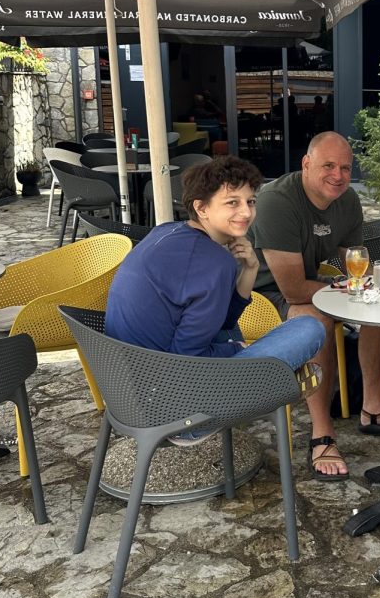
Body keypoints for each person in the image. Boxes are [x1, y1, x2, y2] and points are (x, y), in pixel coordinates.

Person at [105, 157, 325, 443]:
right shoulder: (213, 260)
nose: (246, 212)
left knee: (231, 333)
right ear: (201, 207)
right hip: (176, 411)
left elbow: (222, 321)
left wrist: (250, 270)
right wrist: (239, 348)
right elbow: (189, 360)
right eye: (232, 202)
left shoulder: (166, 231)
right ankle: (274, 384)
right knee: (310, 327)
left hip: (132, 392)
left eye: (251, 201)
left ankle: (272, 379)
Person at [251, 131, 380, 480]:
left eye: (346, 167)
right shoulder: (277, 201)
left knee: (379, 304)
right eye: (328, 165)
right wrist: (349, 292)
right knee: (316, 319)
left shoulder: (346, 201)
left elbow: (353, 263)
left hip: (311, 286)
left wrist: (378, 288)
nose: (339, 175)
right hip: (256, 298)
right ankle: (321, 433)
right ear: (306, 164)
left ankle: (373, 406)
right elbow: (294, 289)